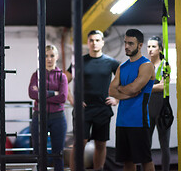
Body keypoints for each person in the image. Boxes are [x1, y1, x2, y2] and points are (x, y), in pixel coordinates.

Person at [65, 30, 120, 171]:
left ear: (102, 42)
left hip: (103, 109)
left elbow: (125, 81)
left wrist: (117, 99)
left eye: (97, 40)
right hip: (83, 109)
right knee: (79, 144)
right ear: (88, 43)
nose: (94, 43)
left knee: (100, 144)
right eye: (91, 40)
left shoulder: (112, 62)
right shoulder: (79, 61)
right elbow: (63, 81)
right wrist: (73, 100)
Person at [109, 29, 155, 171]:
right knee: (127, 161)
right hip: (122, 121)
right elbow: (111, 91)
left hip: (139, 122)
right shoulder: (122, 67)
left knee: (145, 160)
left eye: (131, 43)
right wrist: (127, 93)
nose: (127, 46)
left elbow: (134, 88)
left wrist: (121, 90)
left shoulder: (146, 65)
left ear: (140, 45)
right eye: (125, 43)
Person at [28, 45, 68, 171]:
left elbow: (62, 97)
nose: (49, 59)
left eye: (51, 55)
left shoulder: (62, 76)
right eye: (46, 56)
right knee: (39, 153)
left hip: (58, 118)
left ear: (57, 57)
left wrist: (42, 94)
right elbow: (32, 94)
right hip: (39, 117)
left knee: (58, 154)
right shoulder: (36, 75)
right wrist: (53, 93)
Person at [147, 36, 171, 171]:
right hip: (148, 109)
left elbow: (164, 87)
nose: (150, 50)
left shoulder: (165, 65)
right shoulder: (145, 66)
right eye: (148, 46)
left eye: (153, 47)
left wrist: (145, 88)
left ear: (160, 49)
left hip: (163, 110)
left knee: (164, 145)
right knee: (146, 144)